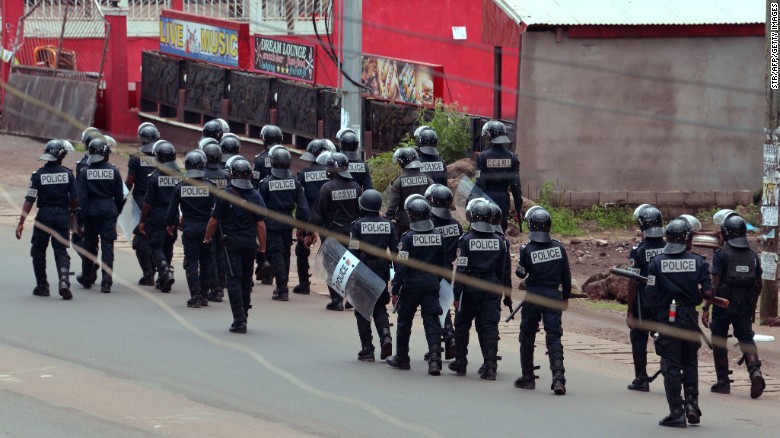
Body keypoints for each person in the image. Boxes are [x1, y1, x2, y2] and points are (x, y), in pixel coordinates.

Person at [645, 218, 713, 428]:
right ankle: (692, 405)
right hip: (691, 319)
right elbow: (709, 292)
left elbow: (650, 295)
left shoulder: (656, 263)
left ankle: (677, 412)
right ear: (688, 239)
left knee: (671, 365)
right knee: (690, 361)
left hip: (668, 319)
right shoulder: (699, 262)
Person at [702, 215, 765, 399]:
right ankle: (755, 372)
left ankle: (723, 382)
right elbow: (759, 283)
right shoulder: (753, 255)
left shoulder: (721, 254)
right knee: (746, 338)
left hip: (722, 305)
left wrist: (706, 308)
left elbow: (713, 286)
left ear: (726, 233)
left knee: (719, 338)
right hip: (745, 305)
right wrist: (752, 304)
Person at [204, 158, 267, 333]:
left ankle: (239, 320)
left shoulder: (225, 195)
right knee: (246, 280)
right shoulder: (256, 196)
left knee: (233, 279)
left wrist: (207, 239)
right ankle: (244, 313)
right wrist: (262, 249)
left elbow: (214, 221)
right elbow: (261, 225)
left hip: (231, 244)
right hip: (249, 245)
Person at [514, 207, 571, 395]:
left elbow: (521, 273)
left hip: (533, 296)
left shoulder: (527, 249)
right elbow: (566, 277)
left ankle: (528, 377)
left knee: (527, 335)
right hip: (554, 296)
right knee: (554, 336)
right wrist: (565, 297)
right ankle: (558, 378)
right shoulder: (559, 248)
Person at [386, 197, 446, 375]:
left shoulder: (408, 238)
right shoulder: (438, 236)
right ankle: (435, 361)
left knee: (405, 321)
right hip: (431, 283)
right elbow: (442, 264)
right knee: (432, 321)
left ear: (411, 216)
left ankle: (402, 359)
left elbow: (401, 266)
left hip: (411, 285)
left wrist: (395, 289)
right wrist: (436, 281)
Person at [449, 199, 507, 380]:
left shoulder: (466, 240)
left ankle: (461, 363)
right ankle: (491, 367)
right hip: (492, 287)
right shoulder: (500, 241)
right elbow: (502, 270)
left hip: (471, 288)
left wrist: (456, 293)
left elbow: (462, 269)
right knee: (489, 326)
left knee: (462, 324)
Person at [16, 139, 78, 299]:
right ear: (61, 156)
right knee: (61, 250)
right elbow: (75, 199)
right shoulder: (68, 174)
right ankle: (64, 281)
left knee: (38, 250)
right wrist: (71, 214)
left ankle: (42, 286)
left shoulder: (38, 175)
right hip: (62, 216)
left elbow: (29, 200)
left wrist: (21, 222)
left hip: (44, 216)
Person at [348, 189, 398, 361]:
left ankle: (367, 350)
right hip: (382, 271)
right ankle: (386, 336)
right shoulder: (389, 225)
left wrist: (350, 276)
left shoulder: (357, 225)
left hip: (363, 271)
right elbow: (395, 252)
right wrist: (396, 277)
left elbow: (353, 251)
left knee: (362, 310)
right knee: (379, 306)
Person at [311, 152, 363, 310]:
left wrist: (308, 232)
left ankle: (337, 299)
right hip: (351, 234)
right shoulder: (355, 187)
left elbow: (318, 214)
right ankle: (349, 299)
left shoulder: (327, 188)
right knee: (349, 265)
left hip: (331, 233)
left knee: (332, 265)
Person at [258, 146, 310, 301]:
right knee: (285, 253)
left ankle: (282, 288)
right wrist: (303, 226)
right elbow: (303, 208)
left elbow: (259, 207)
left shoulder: (266, 183)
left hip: (272, 223)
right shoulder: (295, 182)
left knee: (276, 254)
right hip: (288, 223)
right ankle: (283, 284)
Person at [76, 137, 125, 293]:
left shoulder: (84, 172)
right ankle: (106, 282)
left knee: (89, 245)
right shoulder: (114, 171)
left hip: (91, 212)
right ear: (106, 154)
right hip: (109, 210)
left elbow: (82, 199)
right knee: (108, 246)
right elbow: (120, 196)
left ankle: (86, 277)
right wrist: (116, 211)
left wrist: (80, 220)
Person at [625, 204, 666, 392]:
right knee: (666, 335)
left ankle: (641, 378)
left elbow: (633, 281)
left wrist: (630, 311)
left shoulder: (638, 250)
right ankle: (670, 370)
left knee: (639, 337)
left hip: (644, 299)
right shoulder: (669, 247)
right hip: (665, 299)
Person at [166, 151, 214, 308]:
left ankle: (195, 296)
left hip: (190, 228)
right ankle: (204, 295)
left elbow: (172, 211)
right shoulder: (211, 186)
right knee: (206, 261)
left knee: (192, 261)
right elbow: (218, 210)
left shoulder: (180, 187)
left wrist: (170, 225)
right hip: (207, 228)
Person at [139, 140, 181, 293]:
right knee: (168, 246)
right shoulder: (180, 176)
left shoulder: (154, 177)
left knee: (156, 246)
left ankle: (164, 268)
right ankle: (163, 277)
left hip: (157, 216)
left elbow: (148, 202)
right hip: (174, 216)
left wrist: (142, 220)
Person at [425, 184, 461, 360]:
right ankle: (445, 340)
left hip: (432, 270)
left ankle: (446, 338)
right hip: (448, 269)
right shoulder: (456, 225)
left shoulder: (429, 224)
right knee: (443, 302)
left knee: (435, 307)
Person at [293, 140, 331, 295]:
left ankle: (304, 284)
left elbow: (301, 201)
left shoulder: (304, 174)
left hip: (309, 216)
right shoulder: (332, 173)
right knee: (331, 252)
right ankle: (336, 289)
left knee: (302, 250)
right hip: (328, 217)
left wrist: (301, 223)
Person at [125, 123, 161, 286]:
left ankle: (148, 273)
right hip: (161, 201)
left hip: (141, 201)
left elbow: (129, 182)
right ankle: (162, 270)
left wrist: (122, 199)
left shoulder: (135, 158)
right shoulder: (163, 157)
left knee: (141, 237)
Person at [476, 120, 522, 233]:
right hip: (503, 198)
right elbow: (516, 186)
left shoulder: (482, 157)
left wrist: (476, 203)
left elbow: (480, 184)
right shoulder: (512, 158)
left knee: (485, 229)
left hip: (486, 197)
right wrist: (518, 207)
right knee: (500, 230)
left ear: (490, 136)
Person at [72, 127, 104, 285]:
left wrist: (77, 213)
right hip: (106, 209)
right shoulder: (109, 165)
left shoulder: (82, 165)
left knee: (77, 238)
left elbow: (79, 191)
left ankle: (89, 265)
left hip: (87, 208)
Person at [253, 125, 283, 284]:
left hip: (263, 202)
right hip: (281, 202)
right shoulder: (285, 156)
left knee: (263, 237)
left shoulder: (258, 159)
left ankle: (266, 269)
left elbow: (254, 183)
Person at [384, 147, 433, 238]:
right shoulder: (428, 180)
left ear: (402, 163)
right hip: (426, 221)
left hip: (404, 223)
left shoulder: (398, 182)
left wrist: (387, 219)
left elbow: (392, 207)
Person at [202, 142, 229, 302]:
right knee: (221, 253)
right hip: (224, 219)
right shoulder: (225, 175)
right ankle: (221, 283)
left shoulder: (202, 175)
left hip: (207, 219)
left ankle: (215, 288)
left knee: (209, 253)